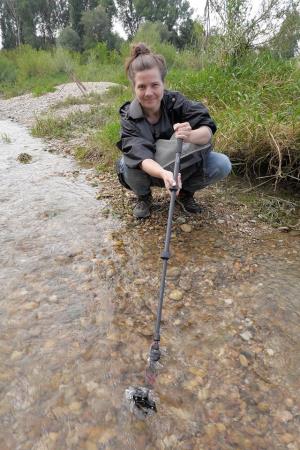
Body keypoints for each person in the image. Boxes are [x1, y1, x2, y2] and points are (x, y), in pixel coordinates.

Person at [116, 43, 231, 219]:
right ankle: (144, 197)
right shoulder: (129, 116)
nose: (149, 93)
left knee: (222, 163)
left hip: (179, 169)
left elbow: (207, 131)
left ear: (163, 84)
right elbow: (139, 155)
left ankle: (185, 193)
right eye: (141, 86)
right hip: (151, 170)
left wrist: (190, 135)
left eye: (155, 85)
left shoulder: (177, 102)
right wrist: (163, 174)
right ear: (133, 88)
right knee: (128, 162)